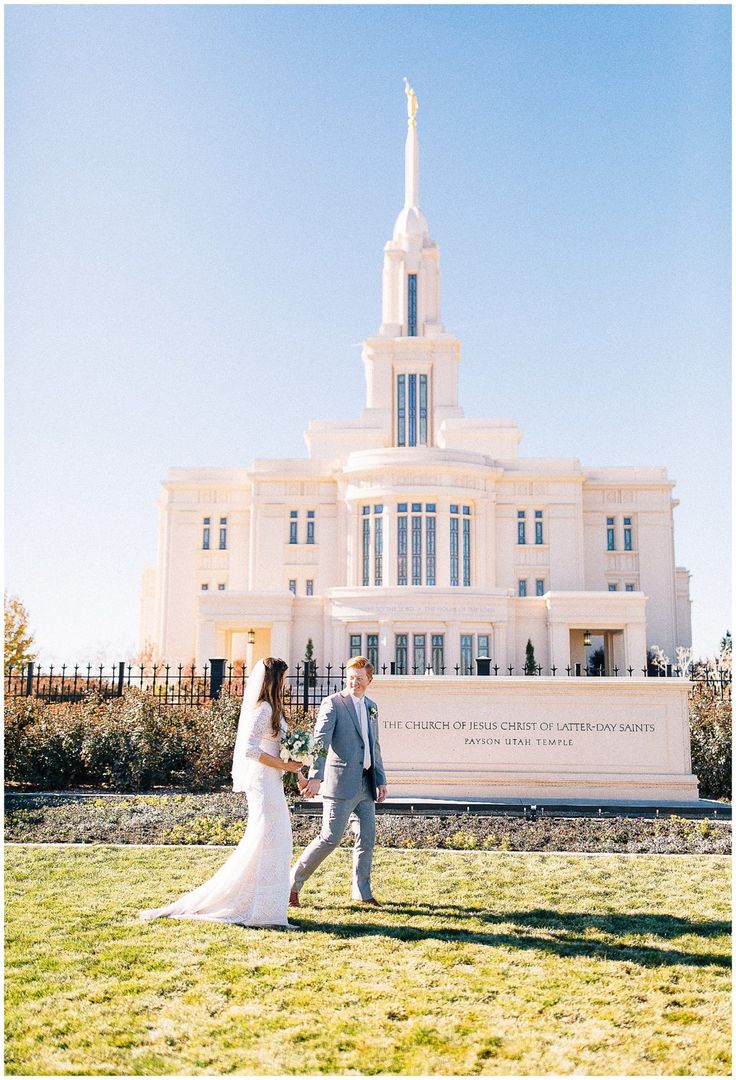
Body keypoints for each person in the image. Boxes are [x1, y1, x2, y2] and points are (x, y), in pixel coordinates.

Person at [140, 657, 304, 929]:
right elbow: (250, 749)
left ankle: (264, 906)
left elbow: (277, 746)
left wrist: (293, 765)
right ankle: (258, 909)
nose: (287, 683)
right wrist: (283, 765)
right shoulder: (263, 708)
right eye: (284, 678)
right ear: (274, 680)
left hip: (272, 780)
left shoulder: (274, 709)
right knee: (268, 840)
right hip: (263, 783)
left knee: (275, 841)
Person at [289, 655, 388, 907]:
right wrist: (315, 777)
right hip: (340, 784)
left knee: (366, 839)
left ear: (369, 680)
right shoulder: (332, 703)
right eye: (351, 678)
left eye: (359, 678)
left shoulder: (371, 706)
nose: (354, 682)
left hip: (366, 785)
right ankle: (291, 885)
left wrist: (380, 779)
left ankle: (362, 893)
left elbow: (373, 746)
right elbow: (320, 742)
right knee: (329, 839)